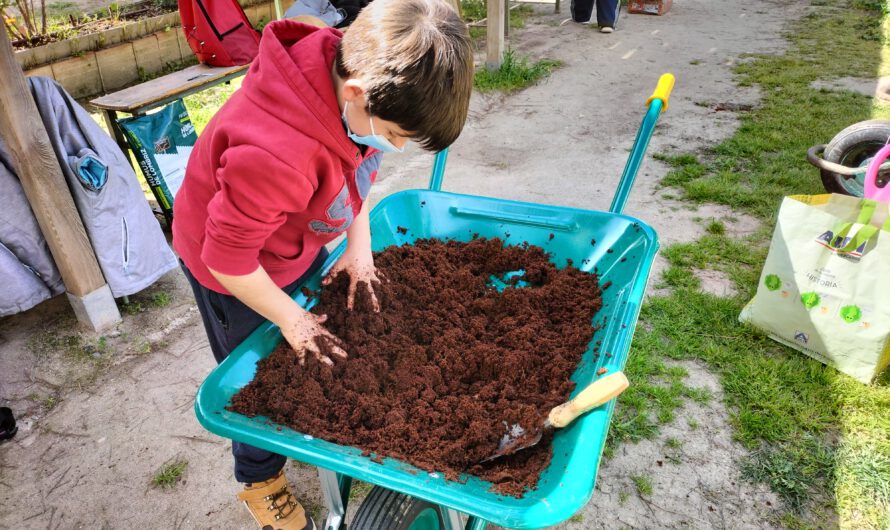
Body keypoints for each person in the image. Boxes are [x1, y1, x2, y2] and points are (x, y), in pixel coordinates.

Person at [172, 0, 474, 527]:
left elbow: (354, 170)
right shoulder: (275, 155)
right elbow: (228, 257)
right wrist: (290, 317)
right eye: (398, 136)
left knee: (311, 335)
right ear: (356, 95)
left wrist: (358, 247)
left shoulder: (351, 86)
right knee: (260, 378)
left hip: (289, 235)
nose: (394, 146)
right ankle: (259, 480)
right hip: (232, 269)